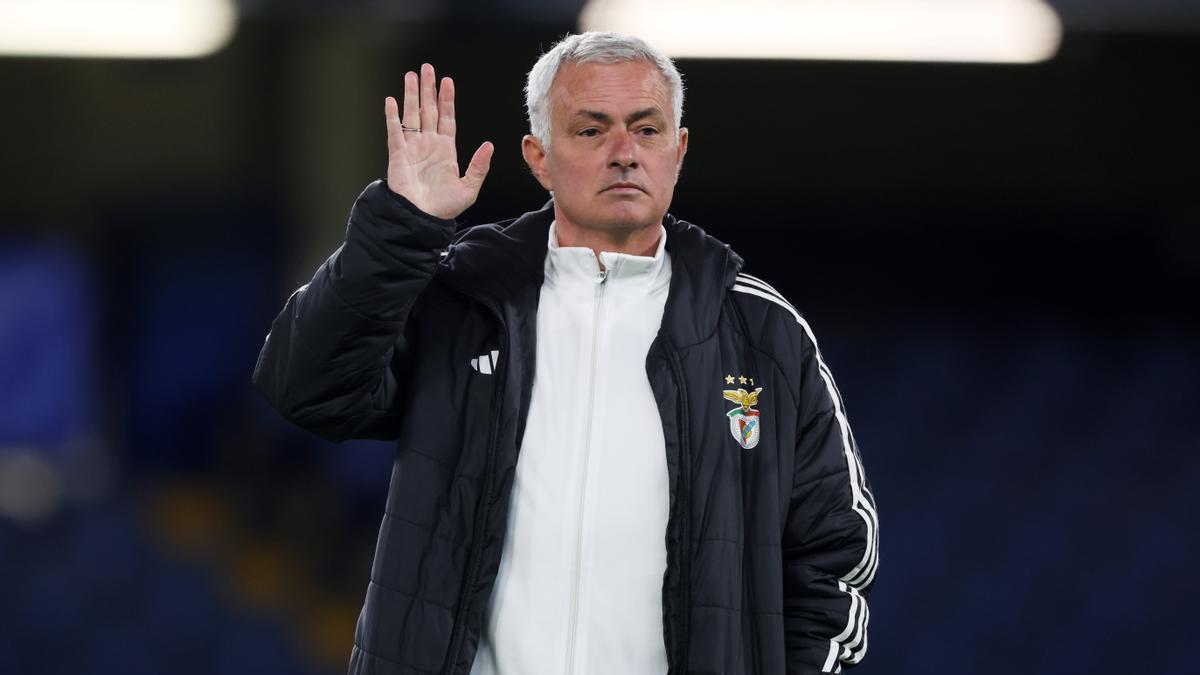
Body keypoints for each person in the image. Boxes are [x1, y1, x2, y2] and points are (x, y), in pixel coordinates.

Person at [253, 31, 878, 675]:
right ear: (539, 157)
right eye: (590, 130)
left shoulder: (761, 333)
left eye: (647, 129)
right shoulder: (461, 299)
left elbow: (835, 554)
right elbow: (306, 388)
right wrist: (401, 229)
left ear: (679, 150)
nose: (625, 154)